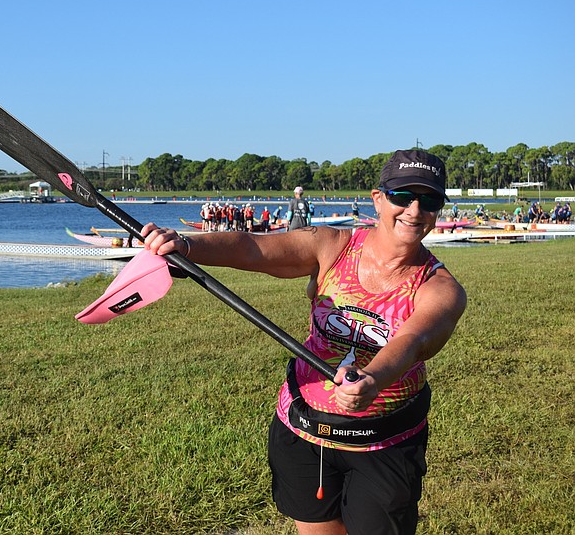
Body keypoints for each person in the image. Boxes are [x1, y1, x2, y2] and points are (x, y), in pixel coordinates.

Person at [141, 149, 467, 535]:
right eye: (402, 196)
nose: (414, 210)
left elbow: (414, 340)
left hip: (385, 442)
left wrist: (373, 379)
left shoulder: (441, 288)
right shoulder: (331, 245)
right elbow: (253, 247)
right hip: (304, 429)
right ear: (378, 199)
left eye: (428, 200)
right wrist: (189, 247)